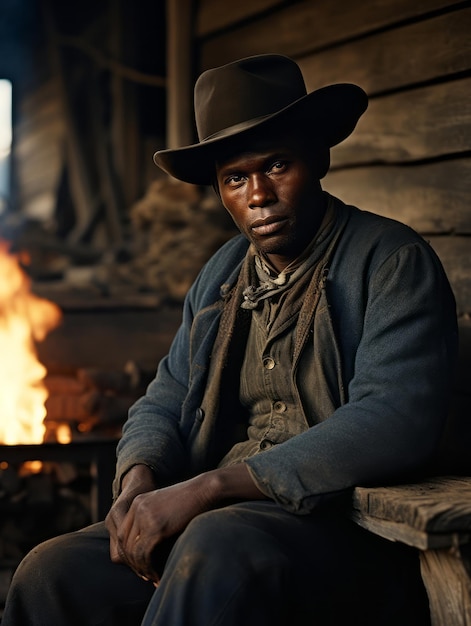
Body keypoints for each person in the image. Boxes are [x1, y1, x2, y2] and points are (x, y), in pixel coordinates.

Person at [3, 54, 457, 626]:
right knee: (51, 572)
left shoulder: (391, 261)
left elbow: (396, 417)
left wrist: (211, 488)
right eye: (235, 179)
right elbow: (164, 396)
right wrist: (138, 476)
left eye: (277, 165)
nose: (258, 194)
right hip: (218, 523)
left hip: (341, 526)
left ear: (318, 158)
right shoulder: (221, 275)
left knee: (214, 549)